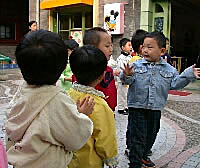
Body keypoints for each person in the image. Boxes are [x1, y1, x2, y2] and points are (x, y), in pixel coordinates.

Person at [5, 30, 95, 168]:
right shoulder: (57, 101)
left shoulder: (20, 93)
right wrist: (82, 115)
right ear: (64, 65)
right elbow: (76, 138)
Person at [120, 31, 200, 168]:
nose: (145, 50)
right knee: (137, 138)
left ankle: (144, 156)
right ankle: (135, 163)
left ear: (162, 50)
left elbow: (175, 84)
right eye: (143, 46)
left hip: (155, 108)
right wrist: (126, 75)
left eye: (150, 47)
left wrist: (188, 74)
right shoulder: (136, 65)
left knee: (152, 134)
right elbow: (127, 80)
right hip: (137, 107)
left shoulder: (170, 69)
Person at [67, 45, 119, 168]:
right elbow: (105, 139)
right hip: (89, 161)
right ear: (102, 76)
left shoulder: (67, 95)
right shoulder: (100, 105)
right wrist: (111, 158)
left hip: (67, 160)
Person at [80, 27, 117, 112]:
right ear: (93, 48)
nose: (111, 49)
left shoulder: (109, 69)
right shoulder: (85, 71)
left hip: (109, 112)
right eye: (107, 46)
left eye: (111, 45)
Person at [116, 38, 132, 115]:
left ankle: (126, 107)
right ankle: (121, 108)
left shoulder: (130, 57)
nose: (131, 47)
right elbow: (122, 69)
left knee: (126, 94)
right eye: (129, 45)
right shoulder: (121, 58)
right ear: (123, 47)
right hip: (122, 79)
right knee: (121, 94)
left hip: (128, 78)